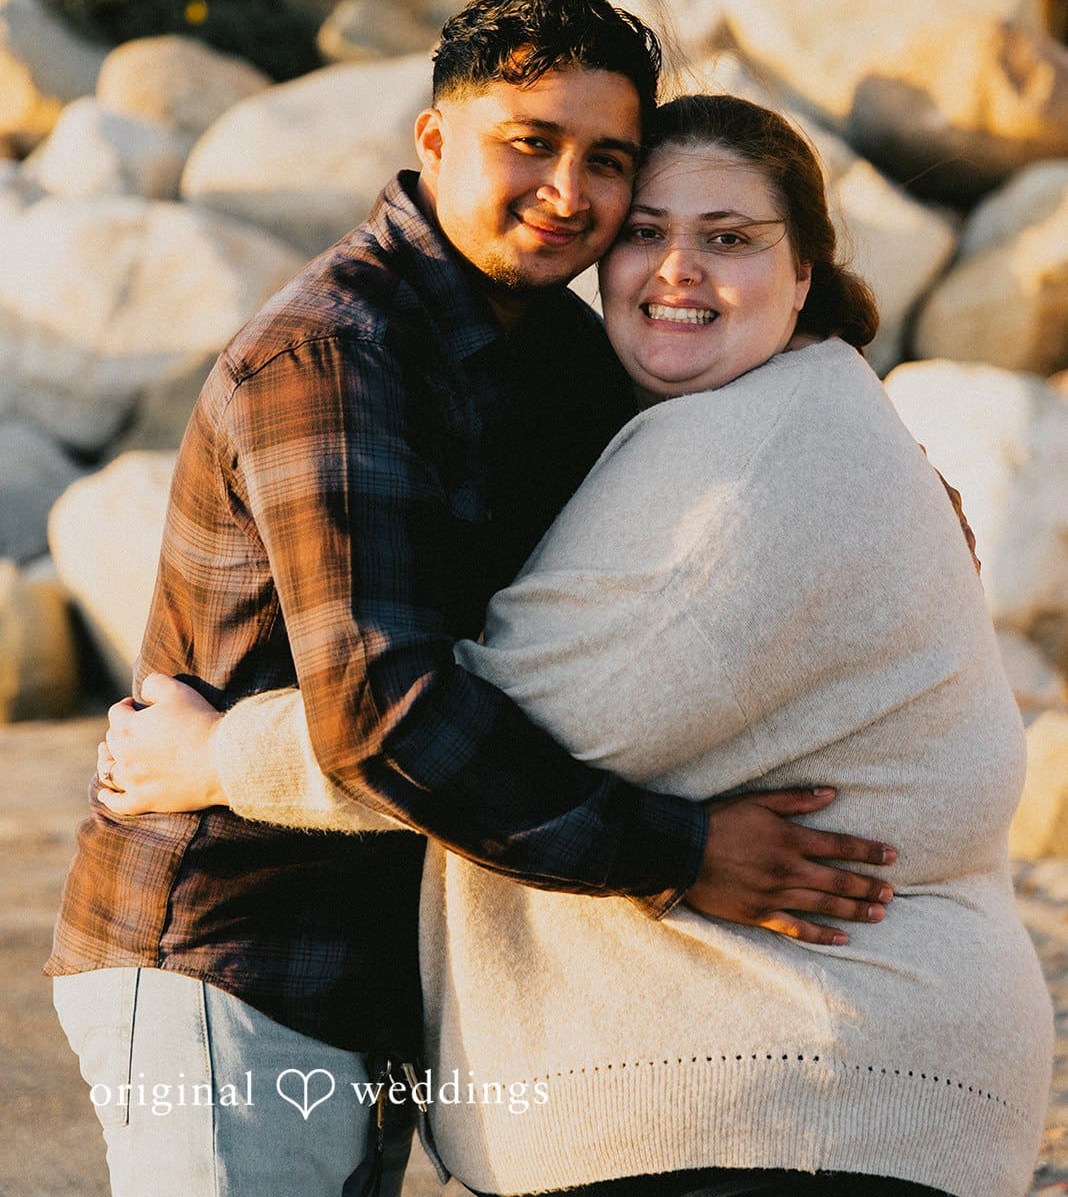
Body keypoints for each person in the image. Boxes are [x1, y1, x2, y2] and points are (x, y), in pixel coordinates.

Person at [108, 94, 1053, 1197]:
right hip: (786, 1096)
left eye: (731, 238)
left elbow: (474, 727)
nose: (677, 270)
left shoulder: (750, 464)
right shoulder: (746, 411)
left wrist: (212, 755)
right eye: (645, 231)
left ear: (806, 275)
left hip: (786, 1100)